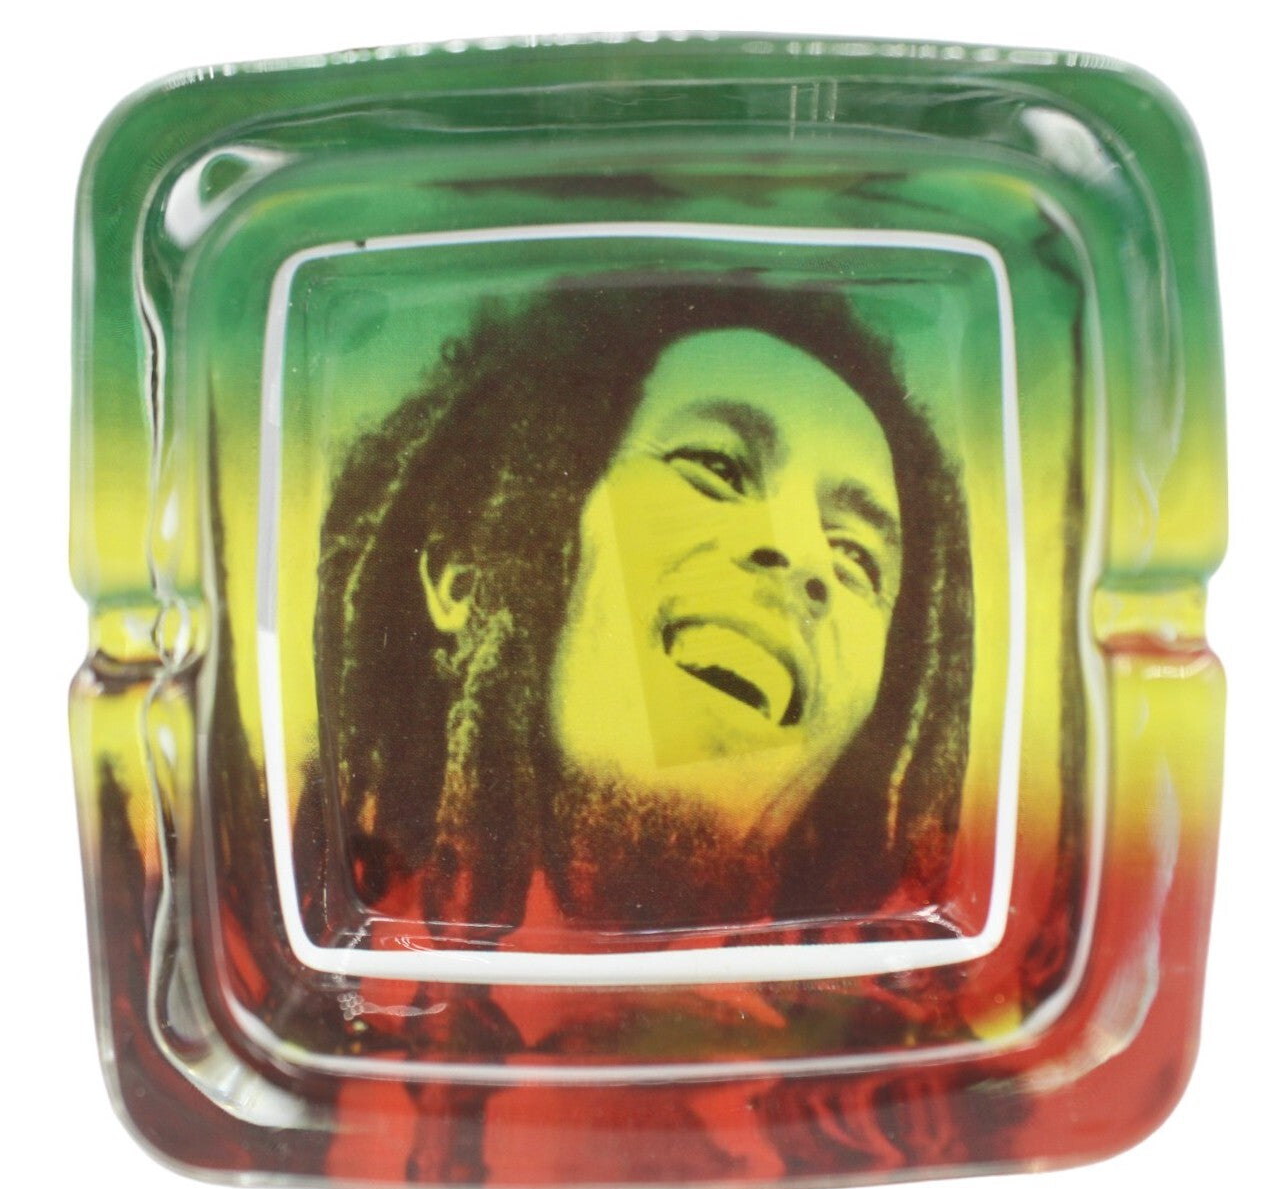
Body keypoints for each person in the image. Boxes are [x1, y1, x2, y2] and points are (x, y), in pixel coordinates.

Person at [297, 275, 973, 951]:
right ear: (470, 573)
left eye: (856, 556)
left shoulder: (899, 1004)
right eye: (715, 467)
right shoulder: (327, 960)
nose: (805, 559)